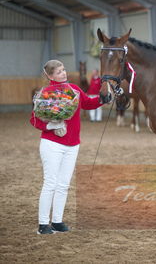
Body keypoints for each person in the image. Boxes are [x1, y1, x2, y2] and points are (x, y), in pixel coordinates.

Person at [30, 60, 103, 234]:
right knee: (50, 183)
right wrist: (51, 126)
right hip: (52, 144)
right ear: (49, 76)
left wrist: (102, 99)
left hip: (73, 144)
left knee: (64, 184)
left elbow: (87, 103)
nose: (63, 73)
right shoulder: (45, 93)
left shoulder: (74, 89)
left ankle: (57, 221)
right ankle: (43, 224)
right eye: (58, 72)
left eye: (63, 70)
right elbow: (34, 119)